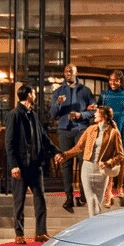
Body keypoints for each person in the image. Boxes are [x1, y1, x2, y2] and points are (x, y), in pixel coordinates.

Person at [4, 83, 59, 244]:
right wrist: (13, 165)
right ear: (28, 95)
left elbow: (43, 137)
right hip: (20, 166)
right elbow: (9, 142)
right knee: (19, 202)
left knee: (40, 199)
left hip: (35, 165)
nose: (35, 95)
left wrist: (56, 151)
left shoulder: (33, 115)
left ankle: (41, 232)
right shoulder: (14, 115)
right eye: (34, 93)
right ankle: (19, 233)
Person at [55, 106, 124, 217]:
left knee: (98, 202)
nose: (95, 114)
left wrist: (108, 163)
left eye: (97, 113)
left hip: (102, 171)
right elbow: (79, 147)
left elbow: (120, 156)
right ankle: (94, 226)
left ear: (104, 117)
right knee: (91, 199)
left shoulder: (114, 133)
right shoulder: (90, 129)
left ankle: (95, 227)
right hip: (87, 168)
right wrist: (65, 155)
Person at [48, 63, 95, 212]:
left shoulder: (85, 91)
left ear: (76, 73)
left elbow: (94, 110)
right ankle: (68, 196)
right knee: (66, 164)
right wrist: (58, 103)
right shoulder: (58, 92)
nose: (68, 73)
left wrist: (81, 115)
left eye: (71, 71)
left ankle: (83, 195)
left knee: (83, 162)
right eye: (66, 71)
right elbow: (52, 114)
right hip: (64, 130)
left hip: (81, 130)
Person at [98, 70, 124, 207]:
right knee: (108, 157)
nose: (112, 82)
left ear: (121, 81)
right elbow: (99, 111)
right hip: (108, 126)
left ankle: (120, 187)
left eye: (115, 80)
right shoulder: (104, 95)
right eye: (110, 80)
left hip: (123, 126)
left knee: (121, 157)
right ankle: (108, 191)